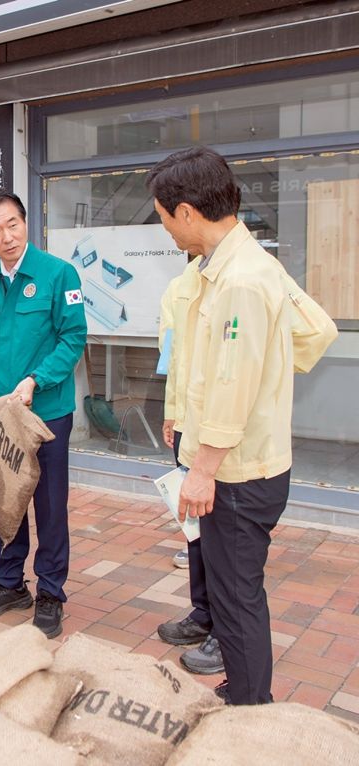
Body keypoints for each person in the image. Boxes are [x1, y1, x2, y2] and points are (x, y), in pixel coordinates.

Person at [146, 145, 334, 705]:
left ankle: (250, 707)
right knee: (232, 592)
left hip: (236, 472)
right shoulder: (236, 267)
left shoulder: (242, 280)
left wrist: (202, 470)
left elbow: (232, 387)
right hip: (238, 464)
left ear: (186, 212)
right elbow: (307, 334)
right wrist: (270, 360)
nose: (166, 233)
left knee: (235, 595)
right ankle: (246, 690)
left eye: (162, 218)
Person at [0, 190, 86, 639]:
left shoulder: (58, 274)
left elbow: (73, 338)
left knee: (50, 506)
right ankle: (10, 583)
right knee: (4, 499)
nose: (7, 236)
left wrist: (36, 380)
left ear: (25, 222)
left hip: (46, 412)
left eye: (13, 224)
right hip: (1, 414)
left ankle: (51, 591)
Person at [154, 256, 225, 676]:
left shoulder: (244, 279)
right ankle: (202, 614)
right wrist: (171, 413)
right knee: (194, 530)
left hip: (223, 430)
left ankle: (225, 630)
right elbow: (173, 357)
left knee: (225, 539)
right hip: (187, 426)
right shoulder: (180, 285)